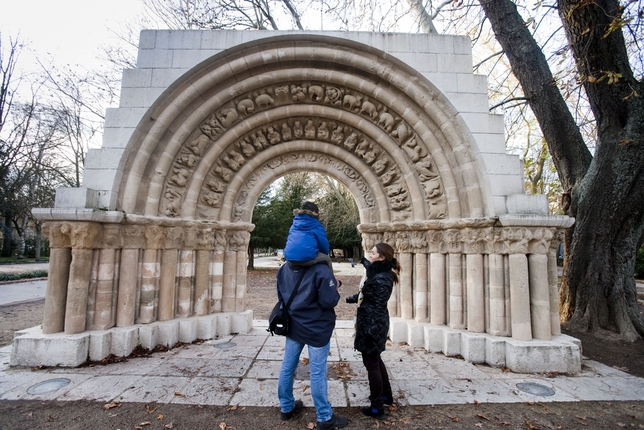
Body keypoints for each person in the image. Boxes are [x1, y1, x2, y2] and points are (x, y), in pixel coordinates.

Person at [276, 260, 349, 430]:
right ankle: (324, 417)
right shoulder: (321, 270)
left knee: (287, 366)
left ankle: (286, 407)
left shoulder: (284, 268)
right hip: (317, 328)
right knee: (317, 372)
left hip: (294, 326)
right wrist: (335, 288)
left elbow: (282, 295)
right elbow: (329, 301)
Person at [346, 242, 400, 420]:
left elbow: (376, 301)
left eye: (374, 252)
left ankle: (377, 407)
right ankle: (385, 396)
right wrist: (353, 298)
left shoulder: (383, 277)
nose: (370, 253)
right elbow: (367, 295)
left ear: (382, 257)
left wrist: (369, 328)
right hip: (372, 322)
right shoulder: (379, 273)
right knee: (375, 359)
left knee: (371, 363)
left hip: (372, 324)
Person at [283, 201, 333, 270]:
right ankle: (330, 280)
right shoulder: (316, 225)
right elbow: (324, 245)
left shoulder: (294, 224)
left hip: (289, 257)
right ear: (316, 213)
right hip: (308, 258)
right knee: (327, 259)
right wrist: (324, 253)